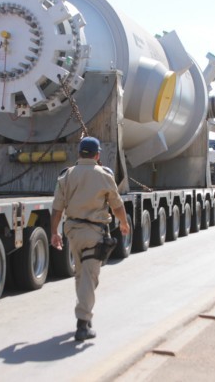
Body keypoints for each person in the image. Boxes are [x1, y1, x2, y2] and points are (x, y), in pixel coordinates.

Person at [50, 136, 130, 342]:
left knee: (81, 274)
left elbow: (57, 208)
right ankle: (83, 324)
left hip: (73, 232)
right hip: (94, 232)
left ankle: (85, 314)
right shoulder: (104, 176)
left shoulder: (66, 175)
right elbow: (117, 205)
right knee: (89, 276)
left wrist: (54, 232)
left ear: (79, 153)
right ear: (97, 155)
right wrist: (123, 223)